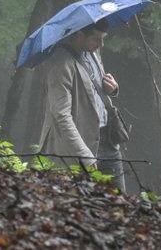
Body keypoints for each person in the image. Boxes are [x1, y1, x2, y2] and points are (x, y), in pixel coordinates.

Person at [37, 19, 126, 191]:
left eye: (103, 38)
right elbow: (61, 116)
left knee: (120, 204)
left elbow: (93, 93)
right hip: (79, 146)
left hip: (108, 142)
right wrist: (85, 157)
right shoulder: (60, 64)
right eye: (96, 39)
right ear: (79, 35)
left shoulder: (93, 52)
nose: (101, 44)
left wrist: (113, 89)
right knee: (82, 208)